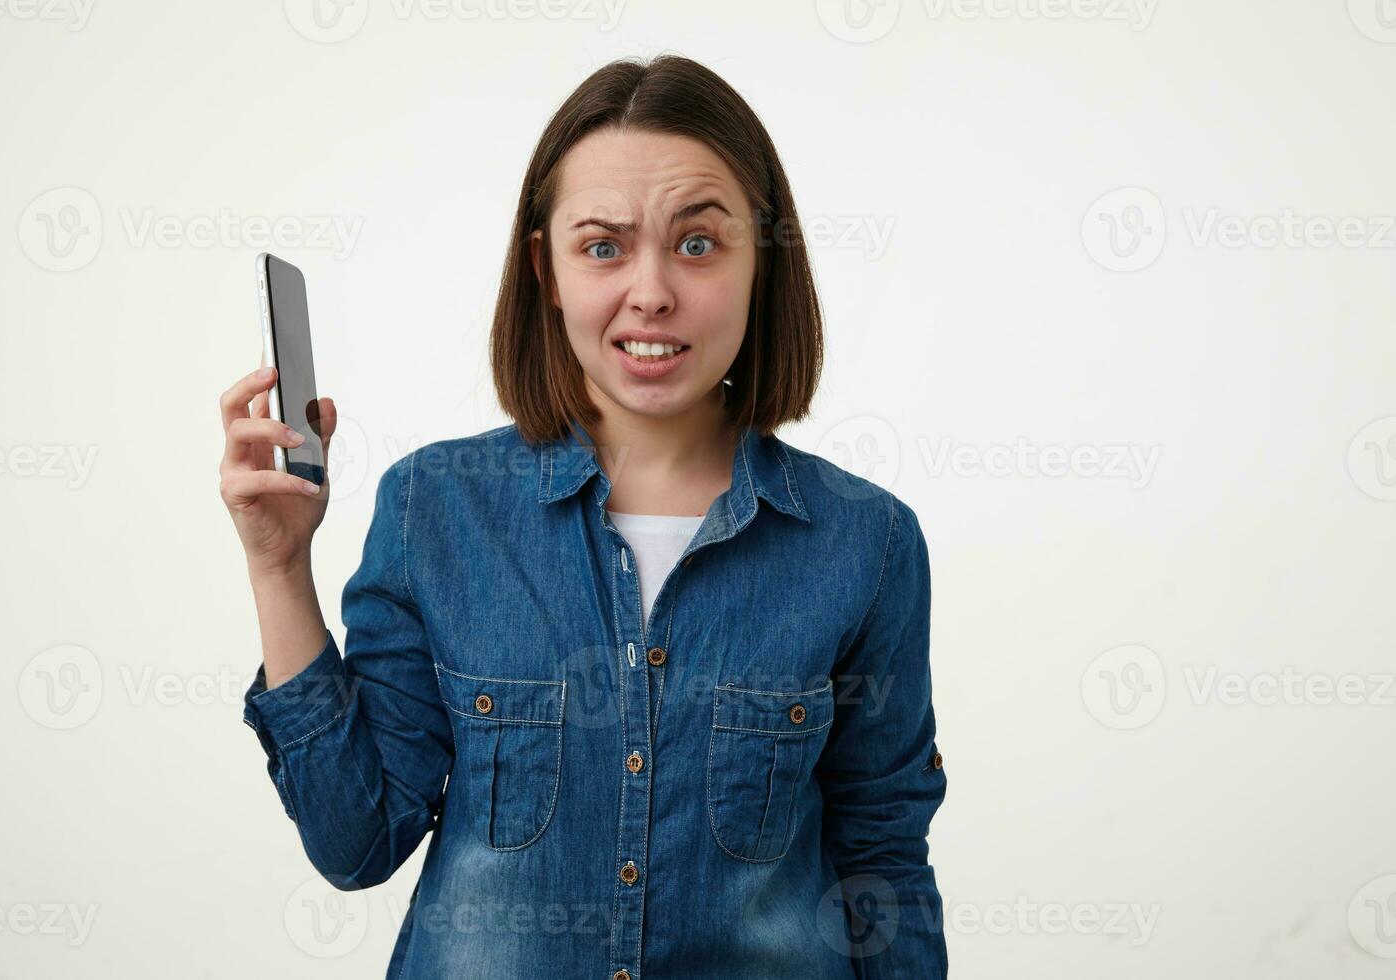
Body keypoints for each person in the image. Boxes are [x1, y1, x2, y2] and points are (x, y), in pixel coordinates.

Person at [220, 53, 947, 980]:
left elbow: (882, 860)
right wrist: (278, 569)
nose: (650, 292)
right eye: (602, 245)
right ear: (546, 269)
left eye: (697, 243)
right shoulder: (436, 509)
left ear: (762, 257)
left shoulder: (866, 543)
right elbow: (354, 842)